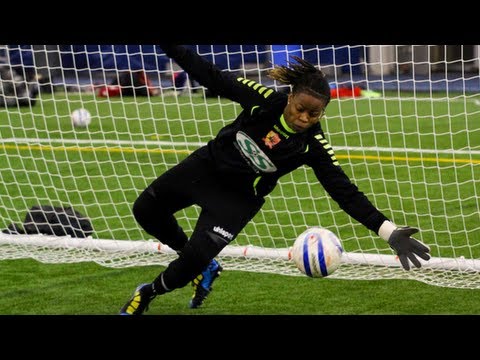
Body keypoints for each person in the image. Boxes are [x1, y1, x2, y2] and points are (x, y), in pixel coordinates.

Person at [120, 44, 431, 315]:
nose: (304, 119)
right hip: (206, 167)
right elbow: (213, 76)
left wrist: (389, 232)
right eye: (301, 109)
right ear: (290, 97)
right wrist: (174, 49)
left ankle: (148, 293)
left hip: (237, 200)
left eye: (315, 115)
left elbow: (344, 192)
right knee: (145, 210)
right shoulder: (263, 100)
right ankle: (202, 265)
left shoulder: (313, 146)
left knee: (193, 260)